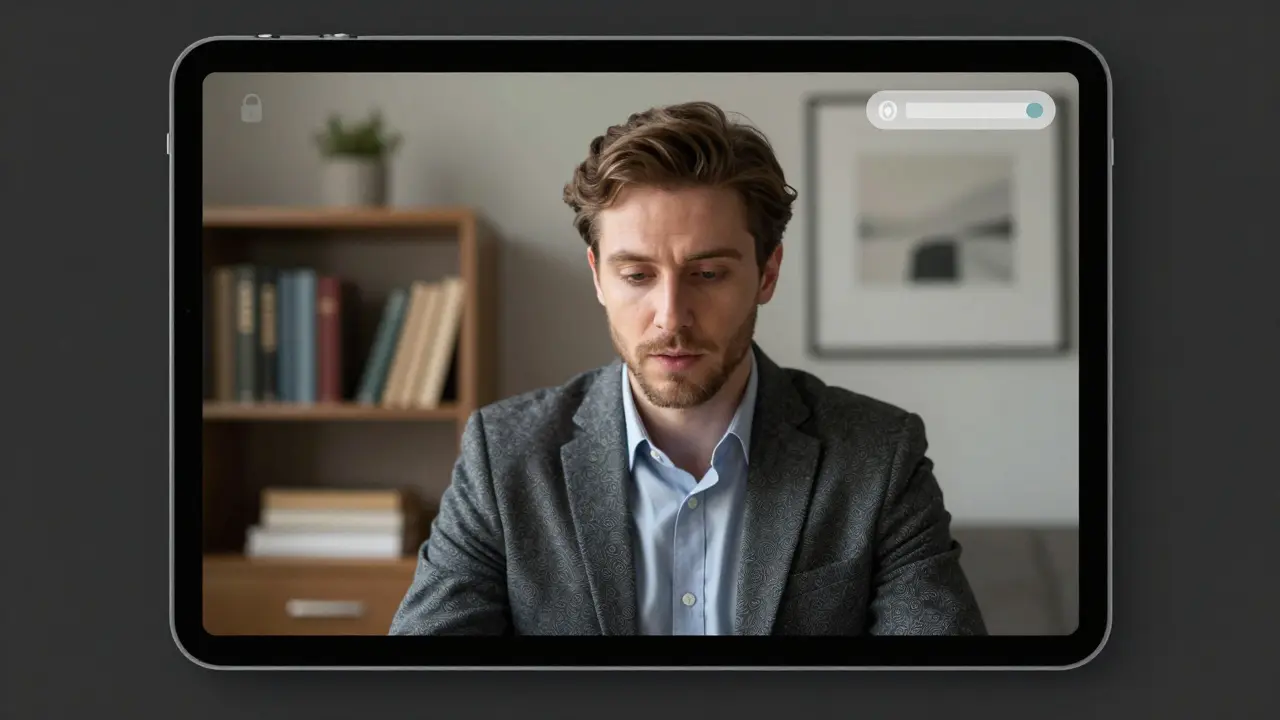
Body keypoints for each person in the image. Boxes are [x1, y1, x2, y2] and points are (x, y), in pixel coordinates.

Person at [389, 101, 986, 636]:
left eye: (707, 274)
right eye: (637, 275)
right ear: (598, 277)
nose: (671, 316)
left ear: (768, 274)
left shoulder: (878, 456)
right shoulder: (505, 456)